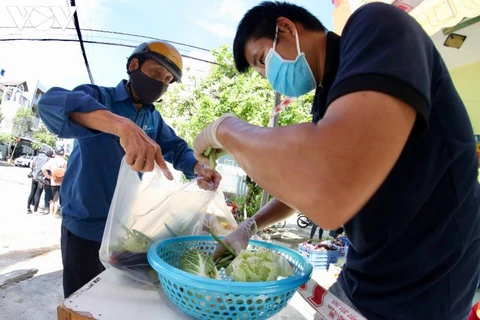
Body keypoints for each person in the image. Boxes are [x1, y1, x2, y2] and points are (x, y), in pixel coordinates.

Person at [192, 2, 480, 319]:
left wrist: (226, 130)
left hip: (425, 282)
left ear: (285, 28)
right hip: (364, 270)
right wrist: (247, 226)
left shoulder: (377, 26)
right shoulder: (328, 96)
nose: (267, 76)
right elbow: (305, 185)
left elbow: (330, 190)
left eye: (263, 60)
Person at [37, 40, 222, 298]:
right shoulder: (99, 98)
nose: (161, 83)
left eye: (167, 80)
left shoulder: (152, 118)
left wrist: (200, 167)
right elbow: (50, 103)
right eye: (156, 73)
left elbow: (177, 149)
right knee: (81, 299)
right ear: (134, 65)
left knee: (114, 299)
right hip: (84, 225)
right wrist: (121, 126)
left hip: (123, 232)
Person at [42, 146, 67, 218]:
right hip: (62, 183)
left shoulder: (52, 160)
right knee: (57, 199)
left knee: (52, 198)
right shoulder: (65, 162)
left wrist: (48, 176)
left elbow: (43, 168)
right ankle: (55, 214)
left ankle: (51, 212)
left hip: (53, 181)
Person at [26, 145, 53, 214]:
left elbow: (32, 166)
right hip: (41, 179)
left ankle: (28, 208)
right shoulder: (48, 159)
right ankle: (35, 210)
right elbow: (49, 169)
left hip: (34, 178)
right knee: (38, 194)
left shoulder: (36, 157)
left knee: (32, 192)